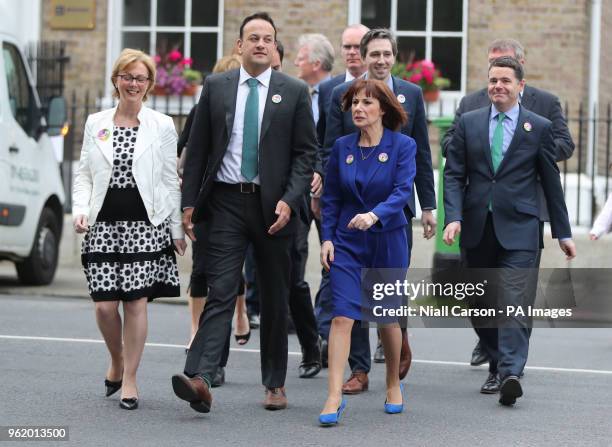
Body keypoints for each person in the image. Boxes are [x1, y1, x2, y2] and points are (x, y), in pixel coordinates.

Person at [171, 12, 316, 413]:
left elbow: (306, 154)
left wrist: (290, 198)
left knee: (273, 296)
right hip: (225, 203)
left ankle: (274, 384)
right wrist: (188, 204)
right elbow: (197, 150)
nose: (260, 44)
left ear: (274, 47)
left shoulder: (294, 90)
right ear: (239, 46)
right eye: (252, 38)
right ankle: (200, 377)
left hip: (274, 208)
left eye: (267, 39)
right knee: (221, 290)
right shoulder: (216, 87)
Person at [443, 56, 576, 406]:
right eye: (492, 80)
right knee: (481, 303)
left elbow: (551, 182)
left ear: (520, 85)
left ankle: (511, 372)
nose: (497, 86)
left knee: (514, 299)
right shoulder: (469, 123)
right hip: (476, 227)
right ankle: (497, 358)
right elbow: (454, 174)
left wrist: (563, 233)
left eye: (505, 80)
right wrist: (453, 217)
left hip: (521, 227)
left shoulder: (539, 127)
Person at [323, 28, 437, 394]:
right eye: (375, 54)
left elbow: (420, 154)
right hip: (350, 214)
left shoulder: (413, 94)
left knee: (388, 291)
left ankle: (392, 341)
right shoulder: (342, 95)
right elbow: (330, 150)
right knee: (349, 298)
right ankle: (358, 368)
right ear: (363, 56)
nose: (381, 60)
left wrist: (429, 205)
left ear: (394, 56)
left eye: (387, 54)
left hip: (393, 213)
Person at [72, 48, 185, 410]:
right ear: (116, 80)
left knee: (136, 302)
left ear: (149, 84)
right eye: (127, 76)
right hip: (103, 225)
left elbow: (170, 180)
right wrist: (79, 210)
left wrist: (176, 230)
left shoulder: (162, 125)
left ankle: (131, 378)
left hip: (145, 225)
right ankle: (117, 359)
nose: (133, 83)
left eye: (140, 78)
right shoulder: (96, 122)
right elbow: (84, 174)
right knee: (105, 307)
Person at [318, 78, 416, 425]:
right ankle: (332, 396)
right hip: (346, 242)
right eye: (355, 103)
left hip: (387, 240)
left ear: (383, 109)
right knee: (342, 316)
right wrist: (327, 238)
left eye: (366, 103)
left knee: (387, 318)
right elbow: (331, 199)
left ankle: (392, 383)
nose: (358, 109)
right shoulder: (343, 147)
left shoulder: (402, 146)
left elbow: (403, 191)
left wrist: (375, 215)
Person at [313, 24, 370, 367]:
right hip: (342, 199)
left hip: (378, 202)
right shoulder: (330, 90)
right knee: (332, 270)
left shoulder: (390, 91)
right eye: (346, 46)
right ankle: (329, 336)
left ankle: (391, 340)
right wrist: (320, 183)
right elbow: (326, 144)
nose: (351, 52)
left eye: (356, 46)